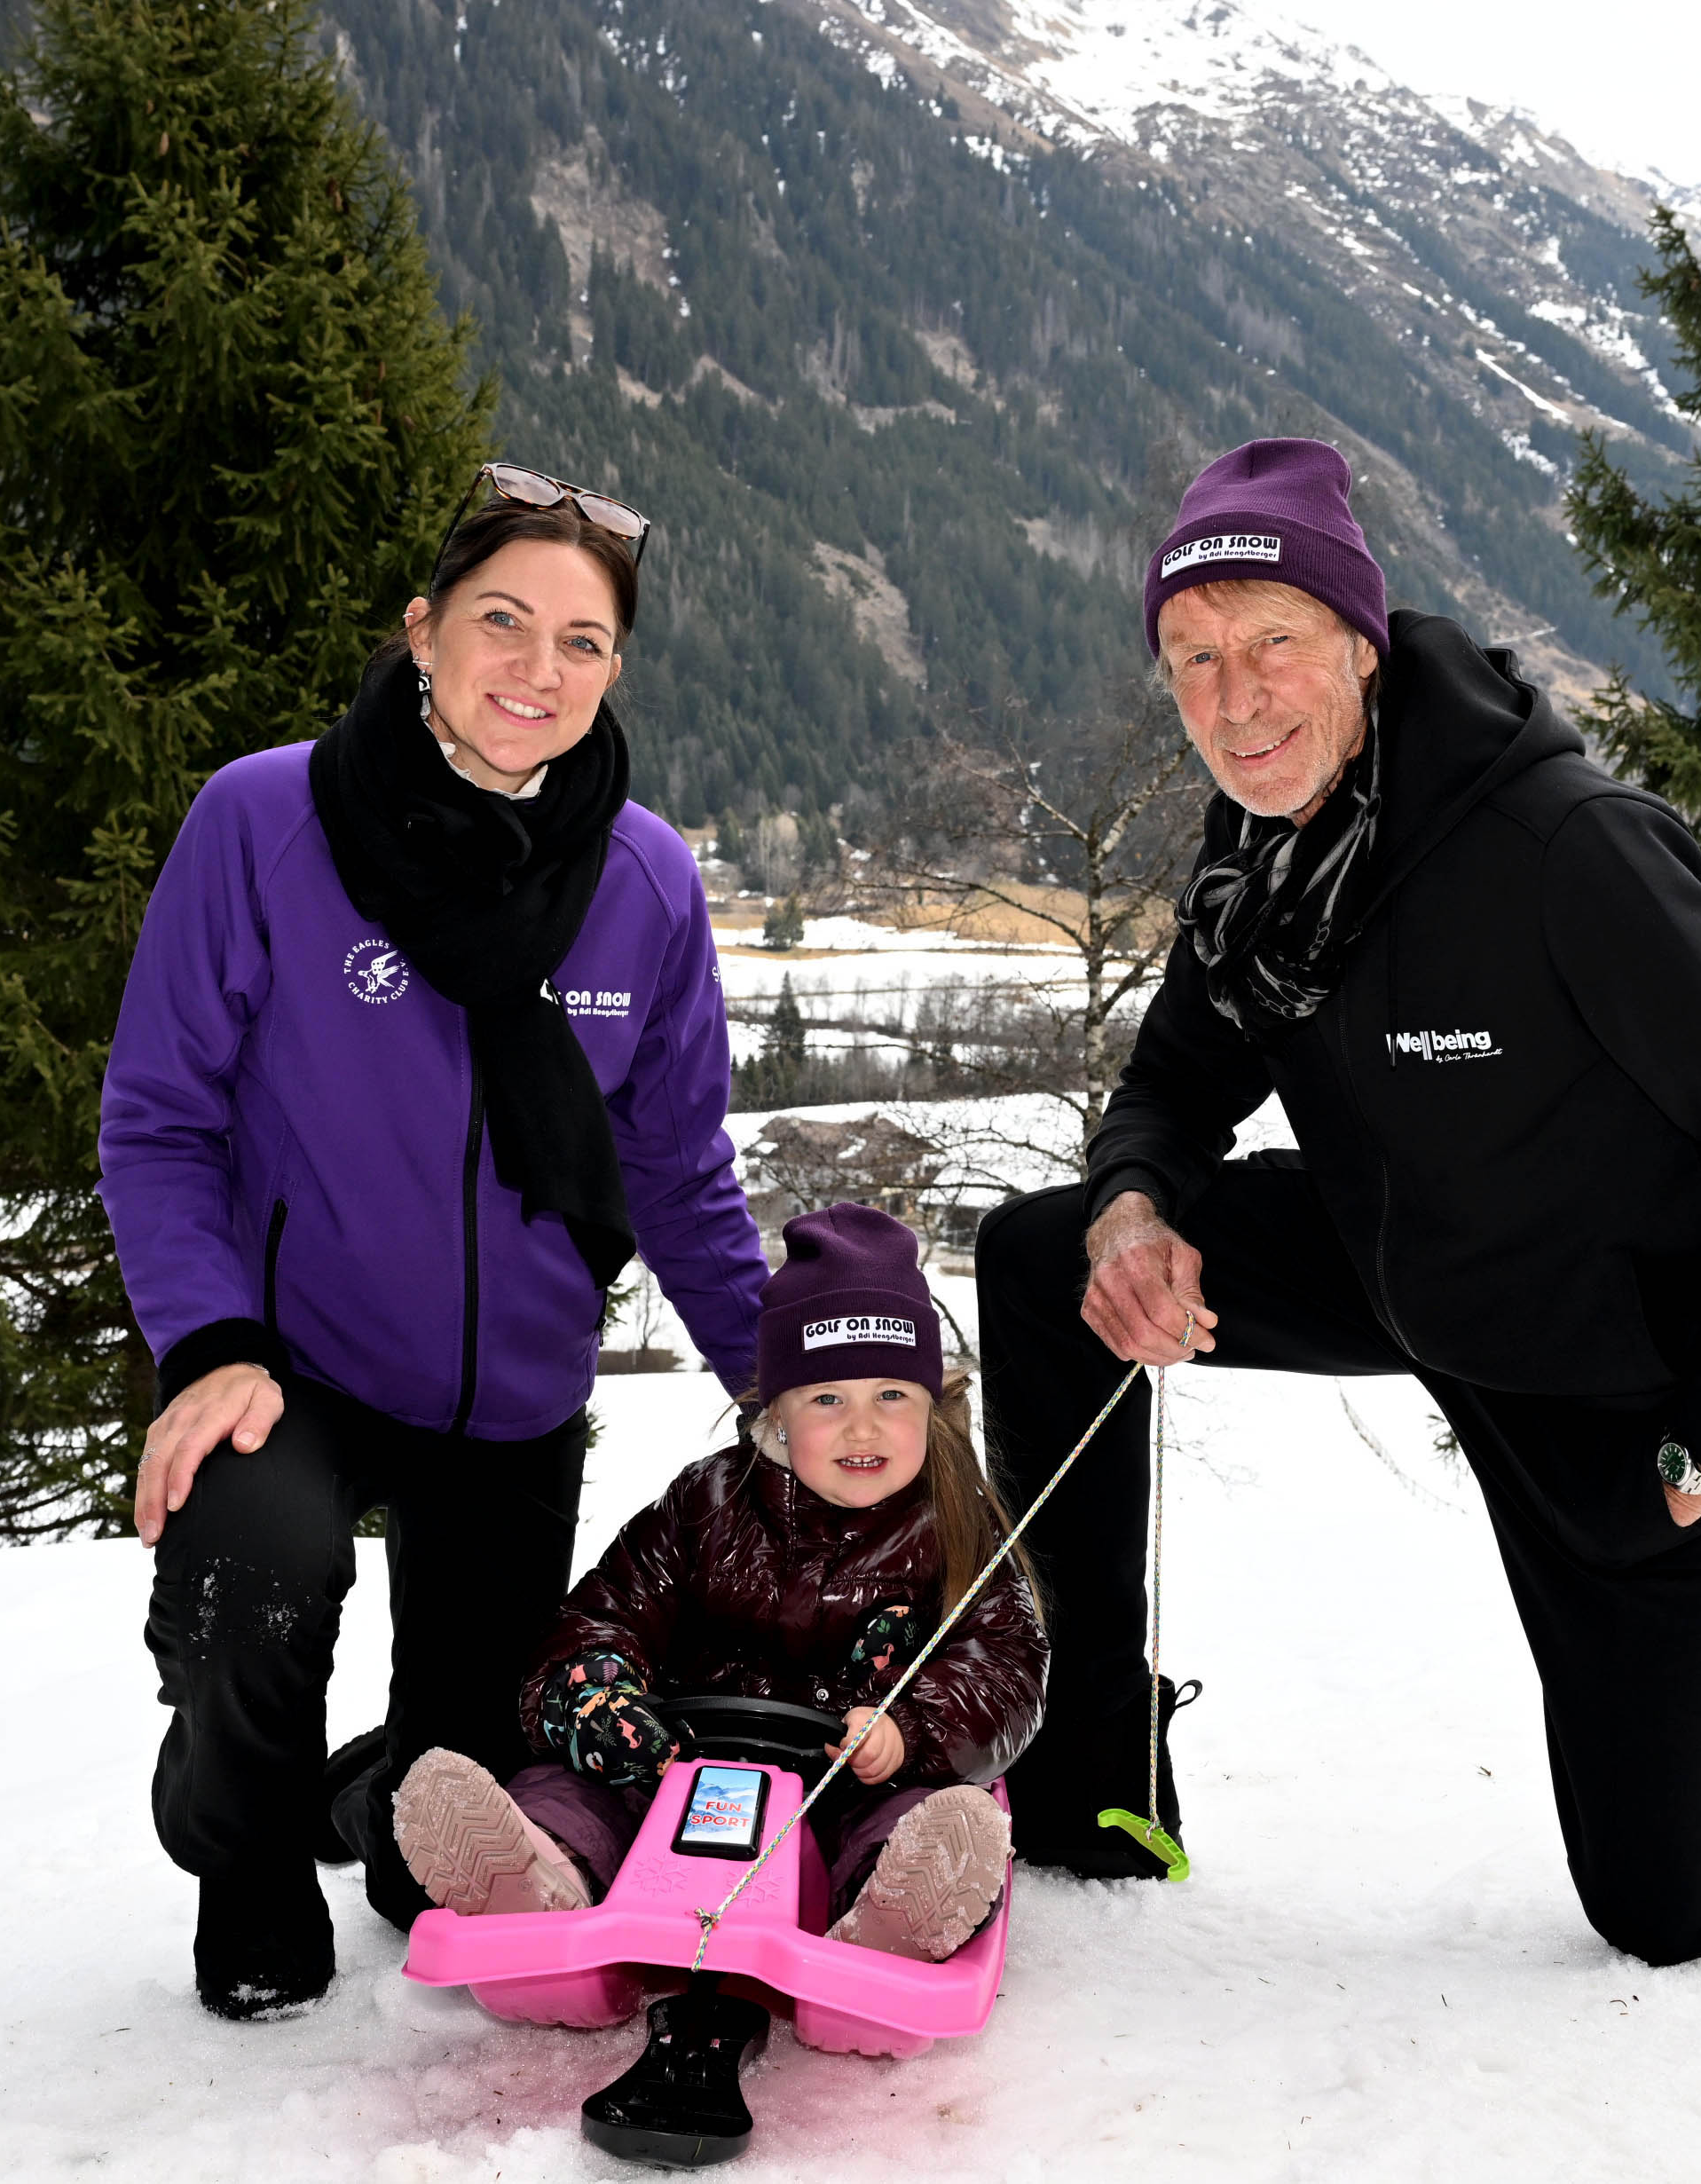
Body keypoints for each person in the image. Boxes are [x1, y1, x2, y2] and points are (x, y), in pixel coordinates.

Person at [977, 437, 1701, 1967]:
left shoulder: (1560, 849)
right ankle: (1087, 1776)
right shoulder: (1263, 857)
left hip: (1615, 1374)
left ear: (1358, 638)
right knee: (1041, 1264)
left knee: (1665, 1902)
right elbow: (1166, 1086)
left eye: (1271, 643)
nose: (1234, 699)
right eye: (1192, 659)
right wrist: (1131, 1210)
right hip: (1394, 1256)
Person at [98, 464, 768, 2019]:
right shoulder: (263, 822)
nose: (538, 671)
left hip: (510, 1397)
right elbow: (159, 1118)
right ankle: (244, 1852)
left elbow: (674, 1170)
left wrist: (781, 1377)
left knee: (443, 1839)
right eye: (501, 622)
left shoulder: (647, 881)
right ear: (422, 631)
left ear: (617, 671)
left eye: (583, 643)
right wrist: (206, 1340)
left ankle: (378, 1797)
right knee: (259, 1564)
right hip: (293, 1360)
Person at [392, 1202, 1044, 1967]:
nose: (862, 1428)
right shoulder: (706, 1504)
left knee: (904, 1816)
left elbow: (1004, 1662)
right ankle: (537, 1873)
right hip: (677, 1769)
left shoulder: (955, 1527)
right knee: (574, 1790)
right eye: (827, 1399)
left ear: (930, 1406)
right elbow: (604, 1615)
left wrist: (913, 1727)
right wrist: (598, 1700)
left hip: (853, 1779)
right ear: (777, 1409)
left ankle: (887, 1915)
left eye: (891, 1396)